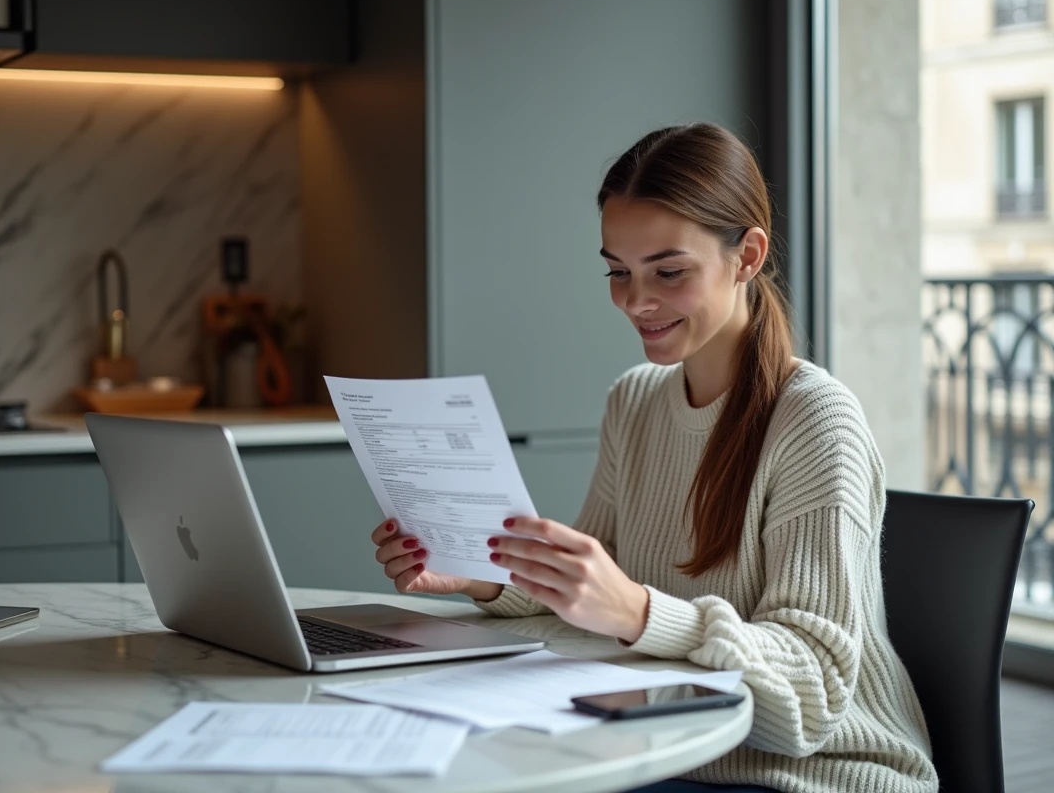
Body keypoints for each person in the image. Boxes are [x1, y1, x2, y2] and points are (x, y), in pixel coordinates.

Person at [370, 123, 939, 793]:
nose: (636, 301)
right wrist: (478, 575)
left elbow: (810, 696)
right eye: (618, 271)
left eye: (668, 272)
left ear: (748, 256)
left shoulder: (815, 419)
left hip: (813, 774)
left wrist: (640, 613)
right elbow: (586, 600)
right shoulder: (635, 402)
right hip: (665, 747)